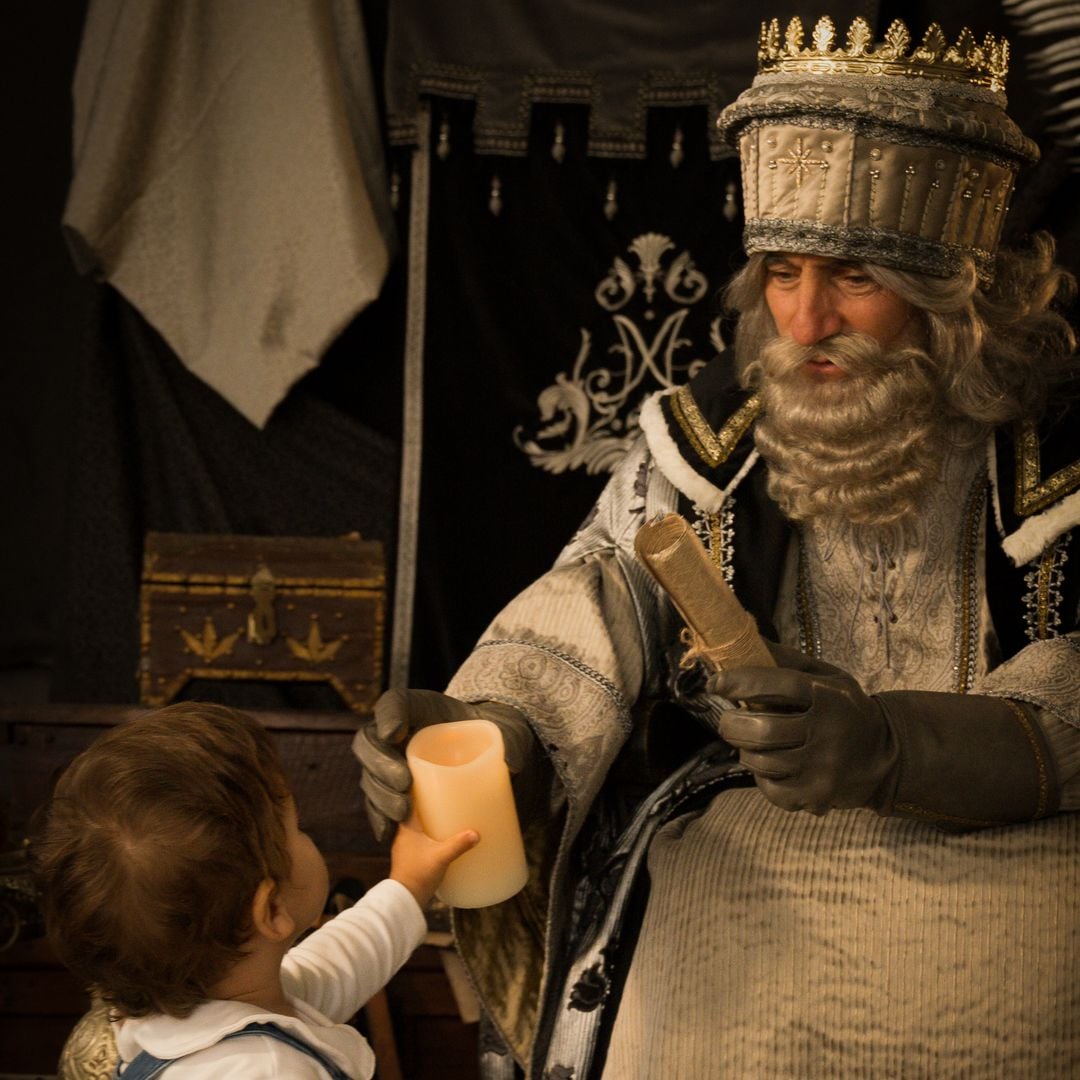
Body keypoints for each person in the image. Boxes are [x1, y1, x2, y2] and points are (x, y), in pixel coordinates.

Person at [354, 14, 1080, 1079]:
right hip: (750, 860)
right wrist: (495, 728)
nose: (804, 322)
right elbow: (593, 604)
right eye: (782, 272)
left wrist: (893, 748)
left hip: (1024, 848)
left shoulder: (1061, 458)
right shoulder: (707, 448)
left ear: (957, 291)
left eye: (855, 277)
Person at [33, 702, 478, 1078]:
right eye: (297, 829)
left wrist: (409, 882)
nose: (306, 836)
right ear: (271, 909)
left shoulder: (193, 1013)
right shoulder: (266, 1069)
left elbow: (338, 964)